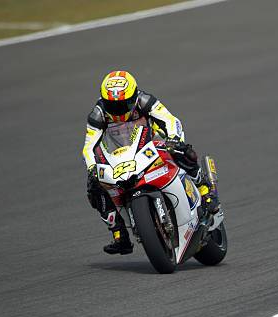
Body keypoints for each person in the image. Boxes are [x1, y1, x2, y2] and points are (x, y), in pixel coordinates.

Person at [83, 70, 218, 255]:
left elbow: (170, 120)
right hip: (121, 156)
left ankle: (204, 188)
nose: (119, 111)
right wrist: (92, 168)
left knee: (182, 150)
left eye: (123, 105)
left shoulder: (145, 101)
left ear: (133, 96)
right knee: (93, 186)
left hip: (153, 141)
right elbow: (89, 147)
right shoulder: (98, 115)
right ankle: (119, 235)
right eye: (113, 106)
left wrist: (174, 139)